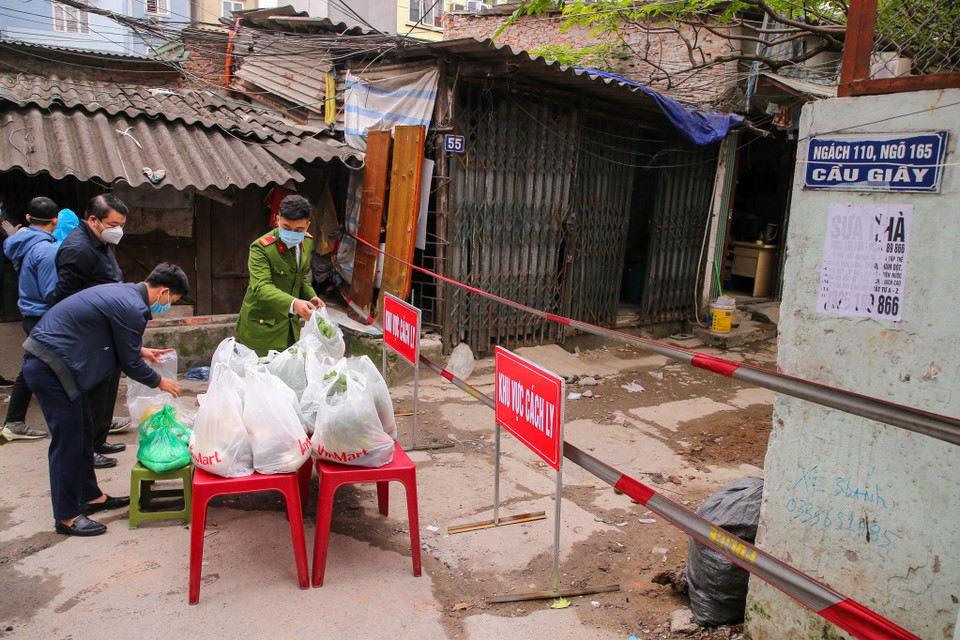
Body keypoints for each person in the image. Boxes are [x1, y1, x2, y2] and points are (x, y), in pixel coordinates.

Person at [22, 263, 187, 536]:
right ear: (164, 291)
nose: (167, 305)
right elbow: (130, 364)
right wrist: (161, 382)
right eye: (172, 300)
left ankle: (91, 496)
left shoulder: (124, 294)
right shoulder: (134, 308)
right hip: (50, 366)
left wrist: (142, 350)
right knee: (67, 443)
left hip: (56, 362)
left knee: (84, 430)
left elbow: (113, 336)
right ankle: (66, 517)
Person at [53, 194, 129, 468]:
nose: (118, 230)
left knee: (106, 390)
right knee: (91, 395)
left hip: (106, 332)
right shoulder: (78, 249)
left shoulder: (100, 241)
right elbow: (65, 298)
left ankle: (99, 438)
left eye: (121, 224)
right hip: (89, 336)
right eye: (113, 224)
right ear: (93, 220)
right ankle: (86, 449)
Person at [235, 195, 325, 357]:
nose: (292, 233)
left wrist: (311, 297)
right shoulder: (262, 248)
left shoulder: (307, 242)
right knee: (259, 376)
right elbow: (261, 288)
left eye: (299, 230)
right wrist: (294, 303)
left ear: (307, 226)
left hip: (289, 327)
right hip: (262, 327)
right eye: (286, 227)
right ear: (278, 220)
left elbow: (300, 276)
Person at [2, 197, 61, 441]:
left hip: (30, 313)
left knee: (32, 368)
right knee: (63, 366)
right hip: (43, 316)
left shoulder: (22, 242)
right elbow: (52, 293)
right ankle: (91, 421)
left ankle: (14, 421)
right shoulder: (46, 250)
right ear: (55, 221)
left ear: (27, 218)